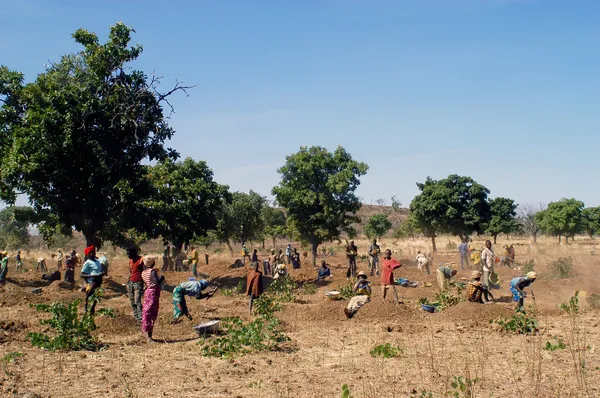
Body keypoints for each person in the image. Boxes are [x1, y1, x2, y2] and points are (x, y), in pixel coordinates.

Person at [141, 256, 164, 343]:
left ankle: (148, 336)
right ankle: (149, 338)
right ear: (153, 263)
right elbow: (156, 282)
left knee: (147, 313)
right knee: (151, 314)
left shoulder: (143, 272)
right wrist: (162, 278)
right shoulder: (152, 271)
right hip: (153, 293)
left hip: (147, 292)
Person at [80, 245, 104, 315]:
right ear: (88, 254)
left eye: (92, 252)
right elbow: (81, 274)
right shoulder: (88, 262)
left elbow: (101, 270)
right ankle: (86, 311)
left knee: (96, 297)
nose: (91, 254)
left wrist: (102, 273)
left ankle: (92, 310)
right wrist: (92, 275)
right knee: (89, 296)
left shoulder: (97, 261)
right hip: (91, 282)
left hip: (98, 281)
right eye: (90, 253)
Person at [126, 247, 145, 322]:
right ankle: (136, 316)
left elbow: (144, 270)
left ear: (134, 253)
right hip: (131, 282)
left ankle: (141, 317)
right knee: (132, 301)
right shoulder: (130, 261)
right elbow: (131, 271)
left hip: (138, 282)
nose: (128, 255)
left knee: (137, 300)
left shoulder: (141, 260)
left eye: (129, 253)